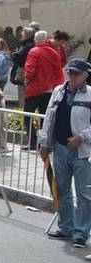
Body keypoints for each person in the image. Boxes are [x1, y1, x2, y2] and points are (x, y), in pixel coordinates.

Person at [39, 59, 91, 248]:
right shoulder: (58, 91)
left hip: (81, 151)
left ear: (85, 75)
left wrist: (83, 137)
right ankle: (66, 227)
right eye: (70, 72)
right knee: (62, 190)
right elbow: (49, 118)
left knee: (84, 193)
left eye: (76, 73)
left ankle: (81, 232)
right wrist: (44, 143)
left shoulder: (90, 95)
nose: (72, 76)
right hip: (60, 147)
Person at [24, 30, 66, 151]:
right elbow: (59, 69)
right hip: (49, 90)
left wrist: (27, 81)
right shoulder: (54, 53)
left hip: (35, 89)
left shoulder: (34, 51)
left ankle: (32, 143)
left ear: (36, 40)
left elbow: (30, 70)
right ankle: (44, 143)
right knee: (45, 118)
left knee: (28, 116)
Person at [11, 26, 36, 107]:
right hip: (23, 70)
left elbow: (19, 57)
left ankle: (22, 108)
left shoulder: (27, 46)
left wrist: (14, 54)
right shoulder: (27, 44)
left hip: (23, 70)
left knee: (24, 93)